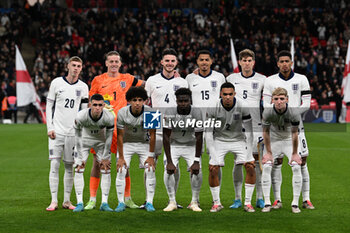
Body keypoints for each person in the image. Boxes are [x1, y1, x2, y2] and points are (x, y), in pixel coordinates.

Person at [86, 51, 144, 210]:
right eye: (110, 61)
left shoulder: (128, 78)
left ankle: (127, 199)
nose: (113, 64)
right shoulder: (98, 80)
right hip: (102, 129)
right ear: (106, 63)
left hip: (122, 128)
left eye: (116, 61)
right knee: (97, 164)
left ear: (120, 63)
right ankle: (92, 199)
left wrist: (172, 78)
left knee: (124, 165)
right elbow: (91, 103)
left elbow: (147, 84)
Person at [263, 50, 315, 210]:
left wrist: (290, 114)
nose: (285, 64)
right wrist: (280, 113)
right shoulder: (270, 81)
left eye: (287, 61)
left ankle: (306, 199)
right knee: (276, 163)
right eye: (282, 61)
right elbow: (265, 104)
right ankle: (277, 200)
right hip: (276, 127)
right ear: (277, 63)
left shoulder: (301, 79)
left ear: (291, 63)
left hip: (296, 125)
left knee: (301, 161)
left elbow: (306, 104)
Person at [144, 48, 188, 209]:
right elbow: (144, 103)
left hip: (175, 128)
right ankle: (148, 201)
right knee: (150, 163)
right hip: (156, 126)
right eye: (167, 60)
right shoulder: (152, 80)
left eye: (172, 61)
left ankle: (173, 200)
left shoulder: (182, 82)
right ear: (162, 62)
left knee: (173, 165)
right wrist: (148, 126)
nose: (169, 63)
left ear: (176, 63)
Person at [45, 56, 89, 211]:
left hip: (73, 133)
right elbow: (49, 107)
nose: (76, 68)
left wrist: (81, 131)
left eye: (79, 66)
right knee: (54, 164)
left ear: (81, 68)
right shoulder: (56, 83)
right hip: (57, 132)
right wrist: (49, 128)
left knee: (70, 166)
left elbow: (84, 112)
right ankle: (53, 201)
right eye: (73, 65)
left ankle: (66, 201)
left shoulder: (83, 87)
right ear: (68, 66)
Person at [206, 82, 255, 212]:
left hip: (239, 139)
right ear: (220, 94)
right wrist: (213, 155)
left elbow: (250, 133)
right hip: (219, 140)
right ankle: (216, 203)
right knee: (213, 168)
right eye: (225, 94)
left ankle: (247, 203)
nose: (228, 97)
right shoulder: (212, 107)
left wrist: (249, 153)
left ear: (234, 94)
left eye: (230, 94)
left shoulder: (243, 105)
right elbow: (208, 134)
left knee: (250, 166)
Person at [226, 49, 266, 209]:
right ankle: (237, 198)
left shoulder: (262, 79)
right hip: (236, 128)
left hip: (256, 128)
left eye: (250, 60)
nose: (247, 63)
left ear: (253, 62)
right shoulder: (231, 78)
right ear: (240, 62)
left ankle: (260, 197)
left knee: (256, 164)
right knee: (238, 163)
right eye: (244, 60)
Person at [114, 87, 156, 212]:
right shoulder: (122, 112)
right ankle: (121, 203)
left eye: (140, 100)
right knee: (121, 170)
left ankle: (149, 202)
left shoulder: (151, 112)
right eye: (134, 100)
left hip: (144, 143)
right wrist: (121, 157)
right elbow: (120, 136)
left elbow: (153, 135)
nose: (137, 103)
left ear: (145, 101)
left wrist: (151, 156)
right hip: (127, 143)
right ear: (129, 101)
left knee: (150, 169)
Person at [261, 87, 302, 213]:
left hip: (289, 140)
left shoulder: (294, 112)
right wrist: (268, 152)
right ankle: (267, 202)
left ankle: (295, 204)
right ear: (272, 100)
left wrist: (295, 154)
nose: (279, 101)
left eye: (282, 99)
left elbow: (295, 134)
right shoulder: (267, 112)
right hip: (274, 140)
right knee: (267, 166)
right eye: (276, 99)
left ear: (287, 99)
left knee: (296, 166)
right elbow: (265, 132)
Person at [162, 88, 203, 212]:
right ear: (176, 101)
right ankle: (172, 201)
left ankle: (194, 202)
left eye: (186, 101)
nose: (183, 103)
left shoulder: (197, 112)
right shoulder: (169, 112)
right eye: (181, 101)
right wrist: (169, 160)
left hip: (191, 145)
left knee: (197, 170)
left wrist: (196, 160)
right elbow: (165, 136)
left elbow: (199, 136)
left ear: (190, 100)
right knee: (168, 170)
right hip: (174, 144)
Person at [73, 94, 115, 212]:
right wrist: (80, 157)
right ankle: (80, 202)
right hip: (83, 142)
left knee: (106, 169)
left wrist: (106, 156)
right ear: (90, 105)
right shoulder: (81, 116)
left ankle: (104, 203)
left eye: (100, 105)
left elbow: (109, 137)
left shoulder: (109, 117)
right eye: (95, 105)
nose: (97, 108)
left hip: (101, 142)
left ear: (103, 105)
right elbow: (77, 136)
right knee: (79, 168)